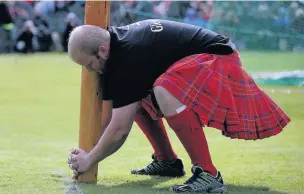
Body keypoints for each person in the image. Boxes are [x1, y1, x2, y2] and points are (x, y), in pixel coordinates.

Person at [66, 19, 290, 193]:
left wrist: (90, 159)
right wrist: (89, 151)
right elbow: (111, 117)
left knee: (165, 89)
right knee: (138, 97)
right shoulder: (116, 49)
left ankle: (209, 175)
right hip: (206, 56)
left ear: (102, 50)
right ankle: (167, 161)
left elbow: (119, 129)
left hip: (219, 57)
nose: (90, 71)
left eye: (89, 64)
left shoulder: (127, 57)